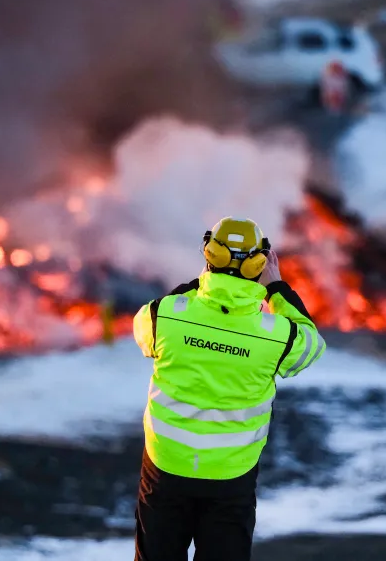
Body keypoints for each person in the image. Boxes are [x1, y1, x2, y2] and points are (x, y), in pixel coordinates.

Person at [132, 217, 325, 561]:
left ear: (209, 255)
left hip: (166, 468)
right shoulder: (276, 335)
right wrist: (276, 288)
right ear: (260, 265)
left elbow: (143, 329)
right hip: (230, 477)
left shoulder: (166, 315)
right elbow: (311, 344)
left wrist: (205, 285)